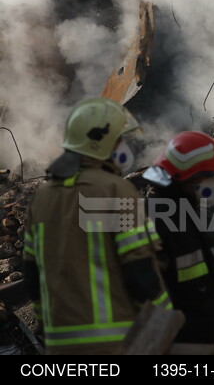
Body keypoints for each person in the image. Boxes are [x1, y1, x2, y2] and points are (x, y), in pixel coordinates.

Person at [21, 97, 171, 355]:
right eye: (119, 140)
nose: (123, 146)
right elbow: (139, 269)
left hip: (59, 347)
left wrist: (46, 326)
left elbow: (32, 275)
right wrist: (164, 318)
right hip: (114, 343)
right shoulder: (115, 190)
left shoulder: (42, 198)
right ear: (100, 143)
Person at [142, 131, 214, 355]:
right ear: (186, 176)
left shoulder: (184, 212)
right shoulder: (158, 219)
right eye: (207, 177)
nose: (212, 184)